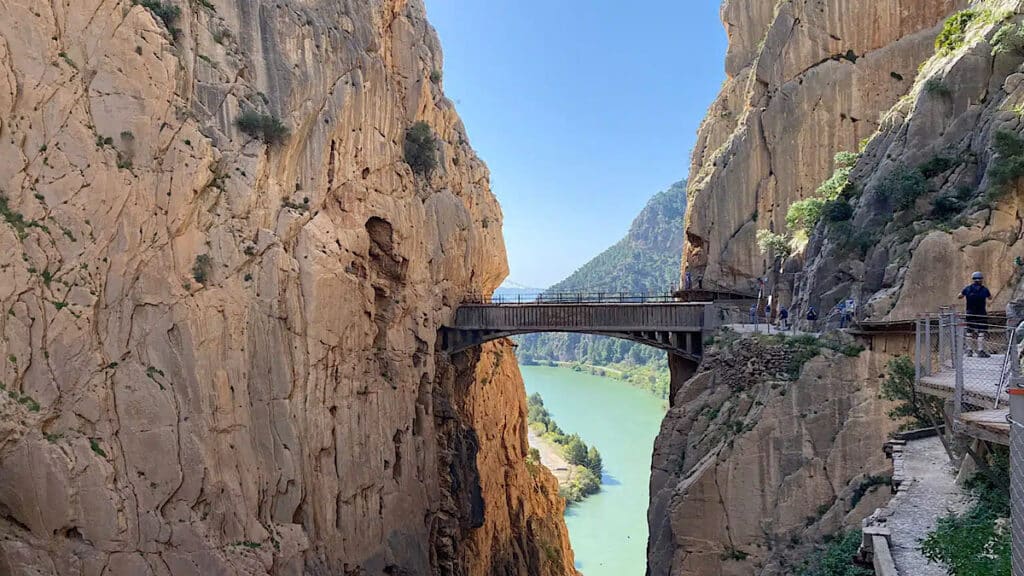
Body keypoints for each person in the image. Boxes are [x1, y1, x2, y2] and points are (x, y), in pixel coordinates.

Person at [959, 271, 992, 358]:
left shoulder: (967, 289)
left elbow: (959, 296)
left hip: (970, 314)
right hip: (981, 314)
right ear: (981, 280)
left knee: (969, 331)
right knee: (981, 332)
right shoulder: (985, 290)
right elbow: (990, 297)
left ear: (973, 279)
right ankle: (980, 351)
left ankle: (969, 350)